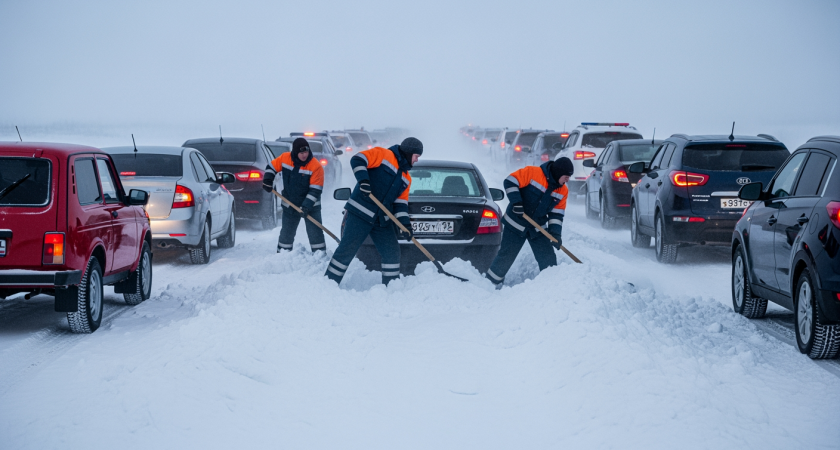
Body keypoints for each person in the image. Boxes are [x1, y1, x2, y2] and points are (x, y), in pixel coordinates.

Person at [325, 137, 423, 285]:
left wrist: (405, 226)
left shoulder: (406, 178)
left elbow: (400, 205)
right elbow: (357, 159)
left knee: (392, 252)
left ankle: (391, 286)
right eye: (416, 156)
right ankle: (328, 283)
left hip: (381, 220)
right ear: (409, 153)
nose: (416, 160)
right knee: (347, 249)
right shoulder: (384, 155)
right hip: (360, 213)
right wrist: (364, 180)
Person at [485, 157, 574, 287]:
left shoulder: (563, 191)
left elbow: (557, 214)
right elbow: (510, 181)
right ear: (558, 172)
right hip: (516, 223)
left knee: (548, 258)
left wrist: (555, 234)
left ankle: (553, 288)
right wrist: (517, 202)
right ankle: (490, 284)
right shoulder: (533, 173)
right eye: (566, 176)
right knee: (505, 257)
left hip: (537, 228)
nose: (568, 180)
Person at [262, 138, 326, 253]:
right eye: (301, 153)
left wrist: (306, 206)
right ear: (295, 152)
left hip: (311, 207)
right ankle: (282, 256)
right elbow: (271, 167)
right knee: (287, 233)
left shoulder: (316, 166)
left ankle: (319, 257)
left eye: (306, 152)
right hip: (290, 204)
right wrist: (268, 179)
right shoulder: (285, 158)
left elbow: (315, 190)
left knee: (315, 233)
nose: (304, 155)